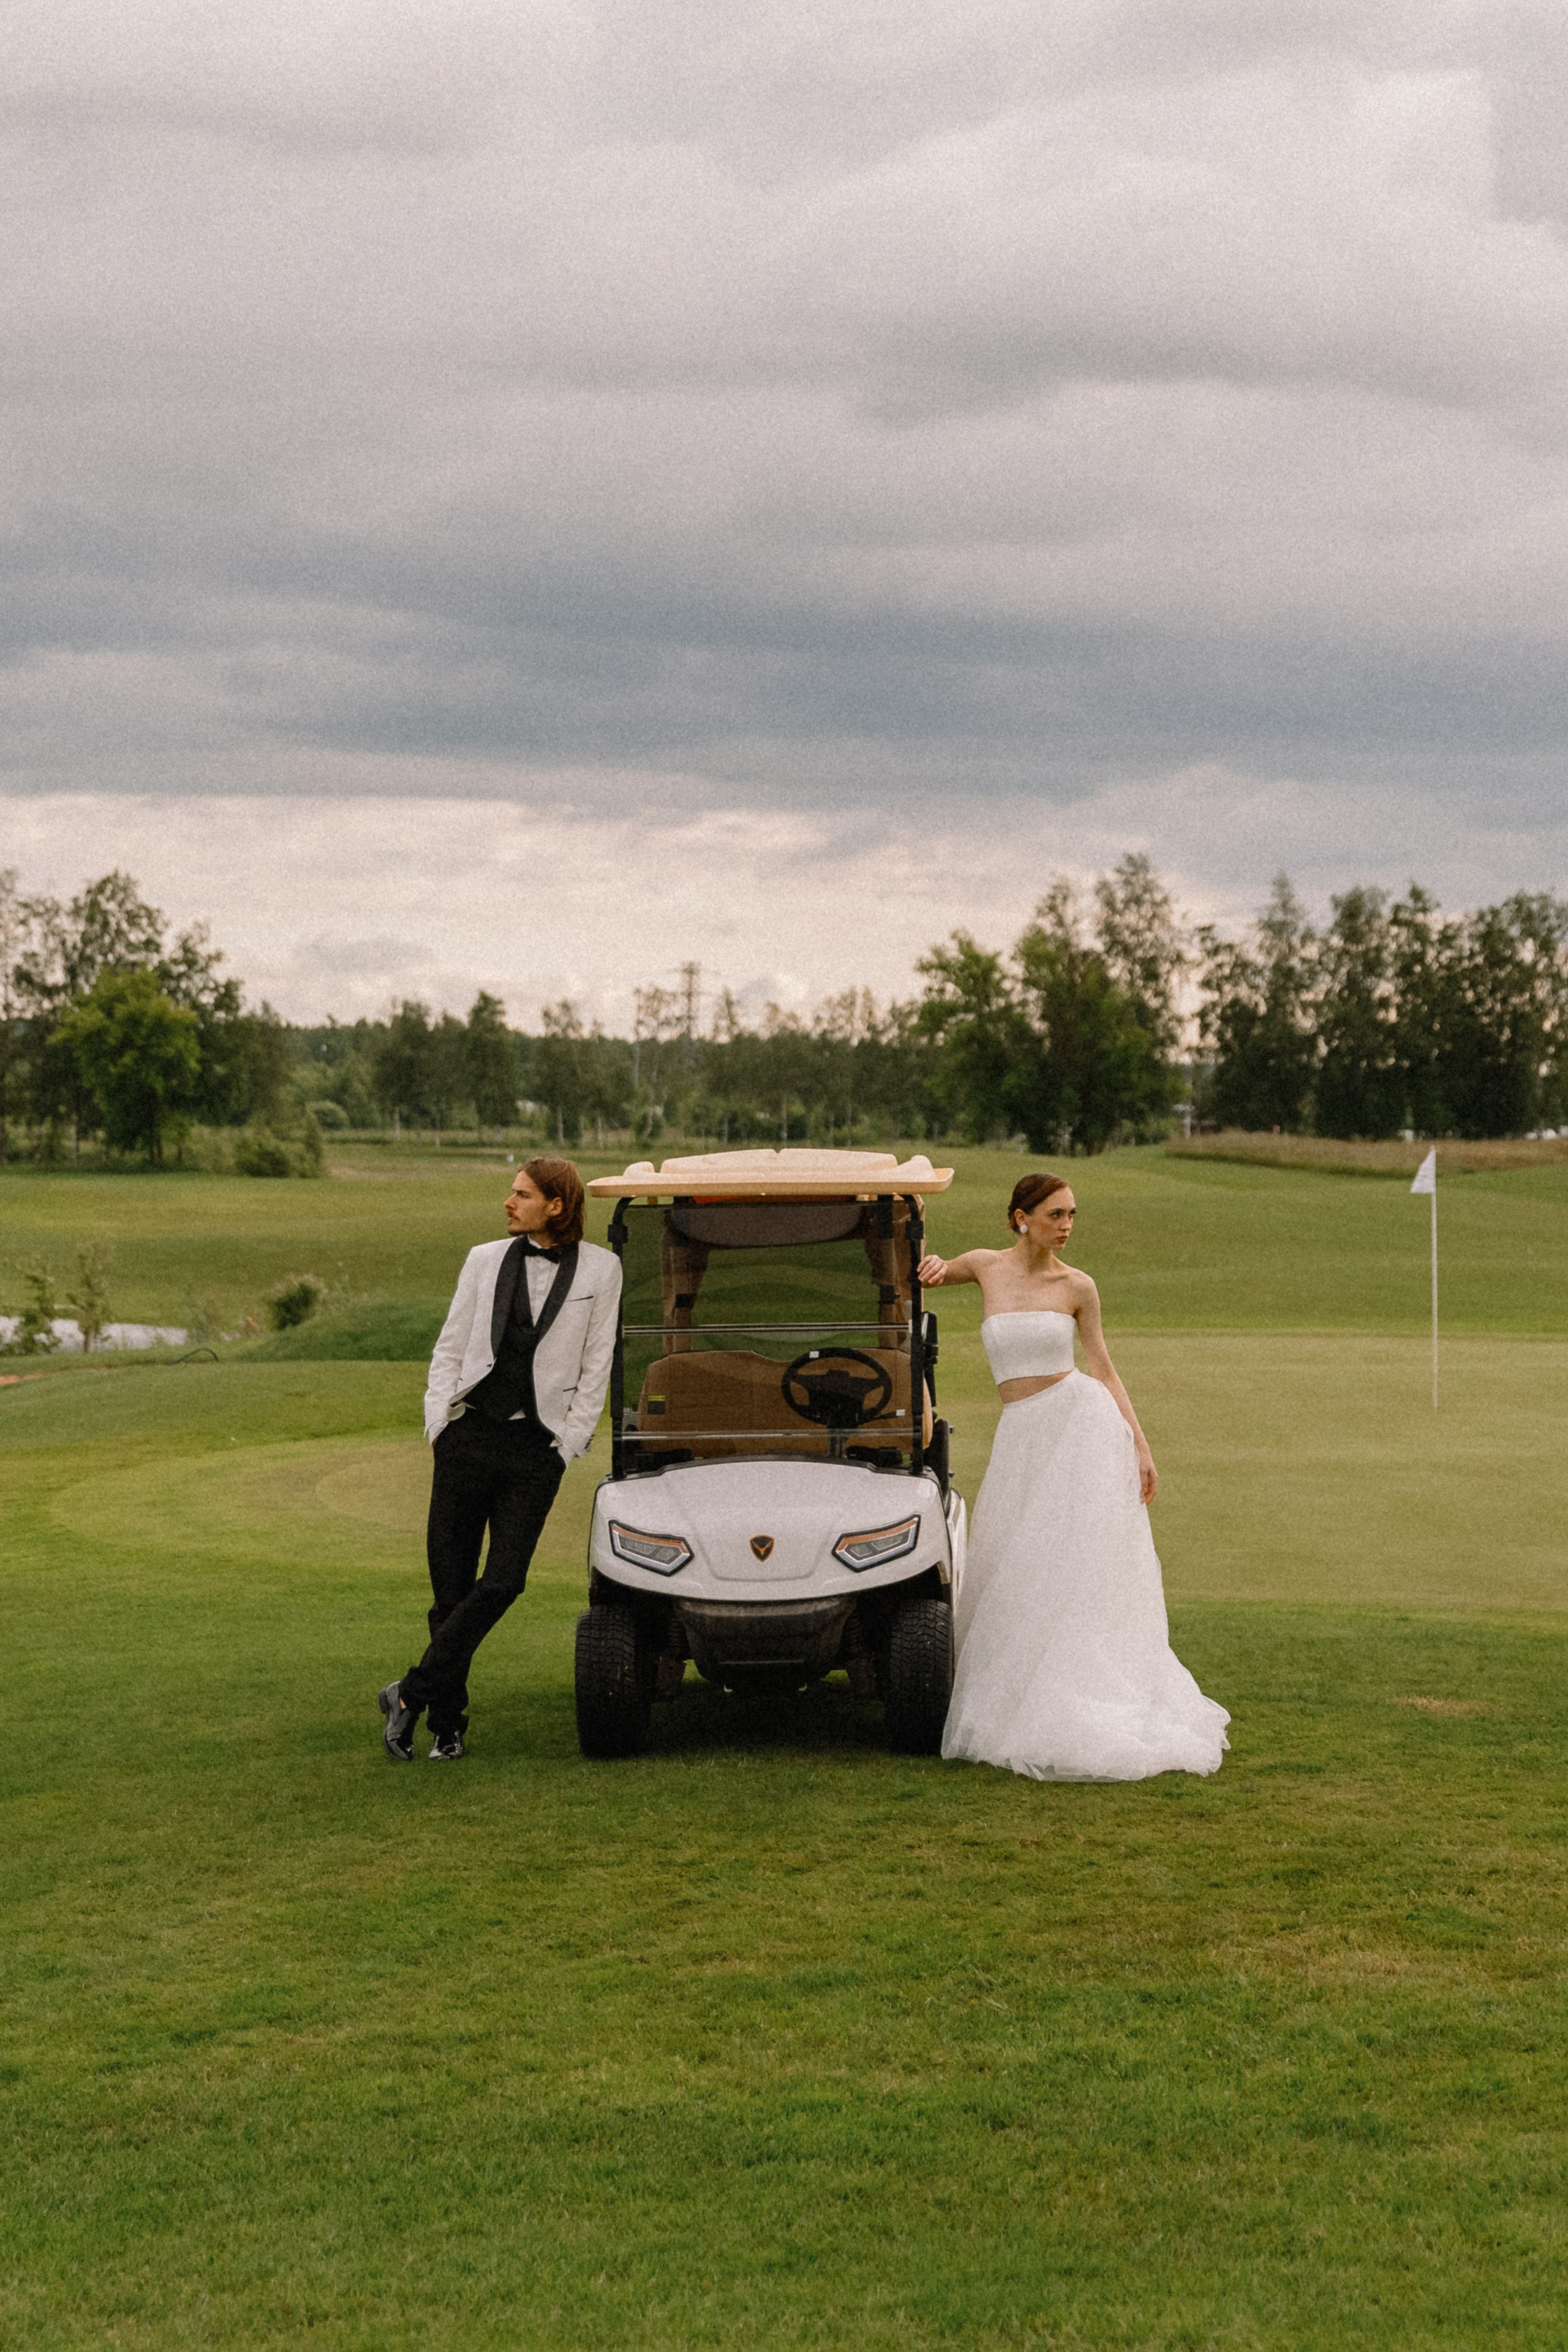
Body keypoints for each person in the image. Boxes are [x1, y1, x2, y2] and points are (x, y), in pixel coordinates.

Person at [918, 1172, 1228, 1782]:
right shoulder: (985, 1267)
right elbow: (931, 1269)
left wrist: (1139, 1445)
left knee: (1069, 1564)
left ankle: (1078, 1693)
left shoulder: (1078, 1285)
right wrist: (928, 1262)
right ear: (1020, 1217)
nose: (1066, 1225)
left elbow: (1103, 1370)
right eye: (1055, 1214)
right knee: (1012, 1561)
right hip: (1021, 1434)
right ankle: (1013, 1691)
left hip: (1079, 1426)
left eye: (1071, 1215)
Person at [378, 1156, 621, 1760]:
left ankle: (409, 1692)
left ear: (557, 1206)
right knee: (450, 1591)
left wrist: (567, 1445)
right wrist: (439, 1423)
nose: (508, 1203)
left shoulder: (603, 1269)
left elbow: (596, 1368)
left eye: (521, 1194)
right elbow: (450, 1345)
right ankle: (446, 1726)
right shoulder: (484, 1260)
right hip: (468, 1439)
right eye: (511, 1193)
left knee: (503, 1582)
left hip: (536, 1450)